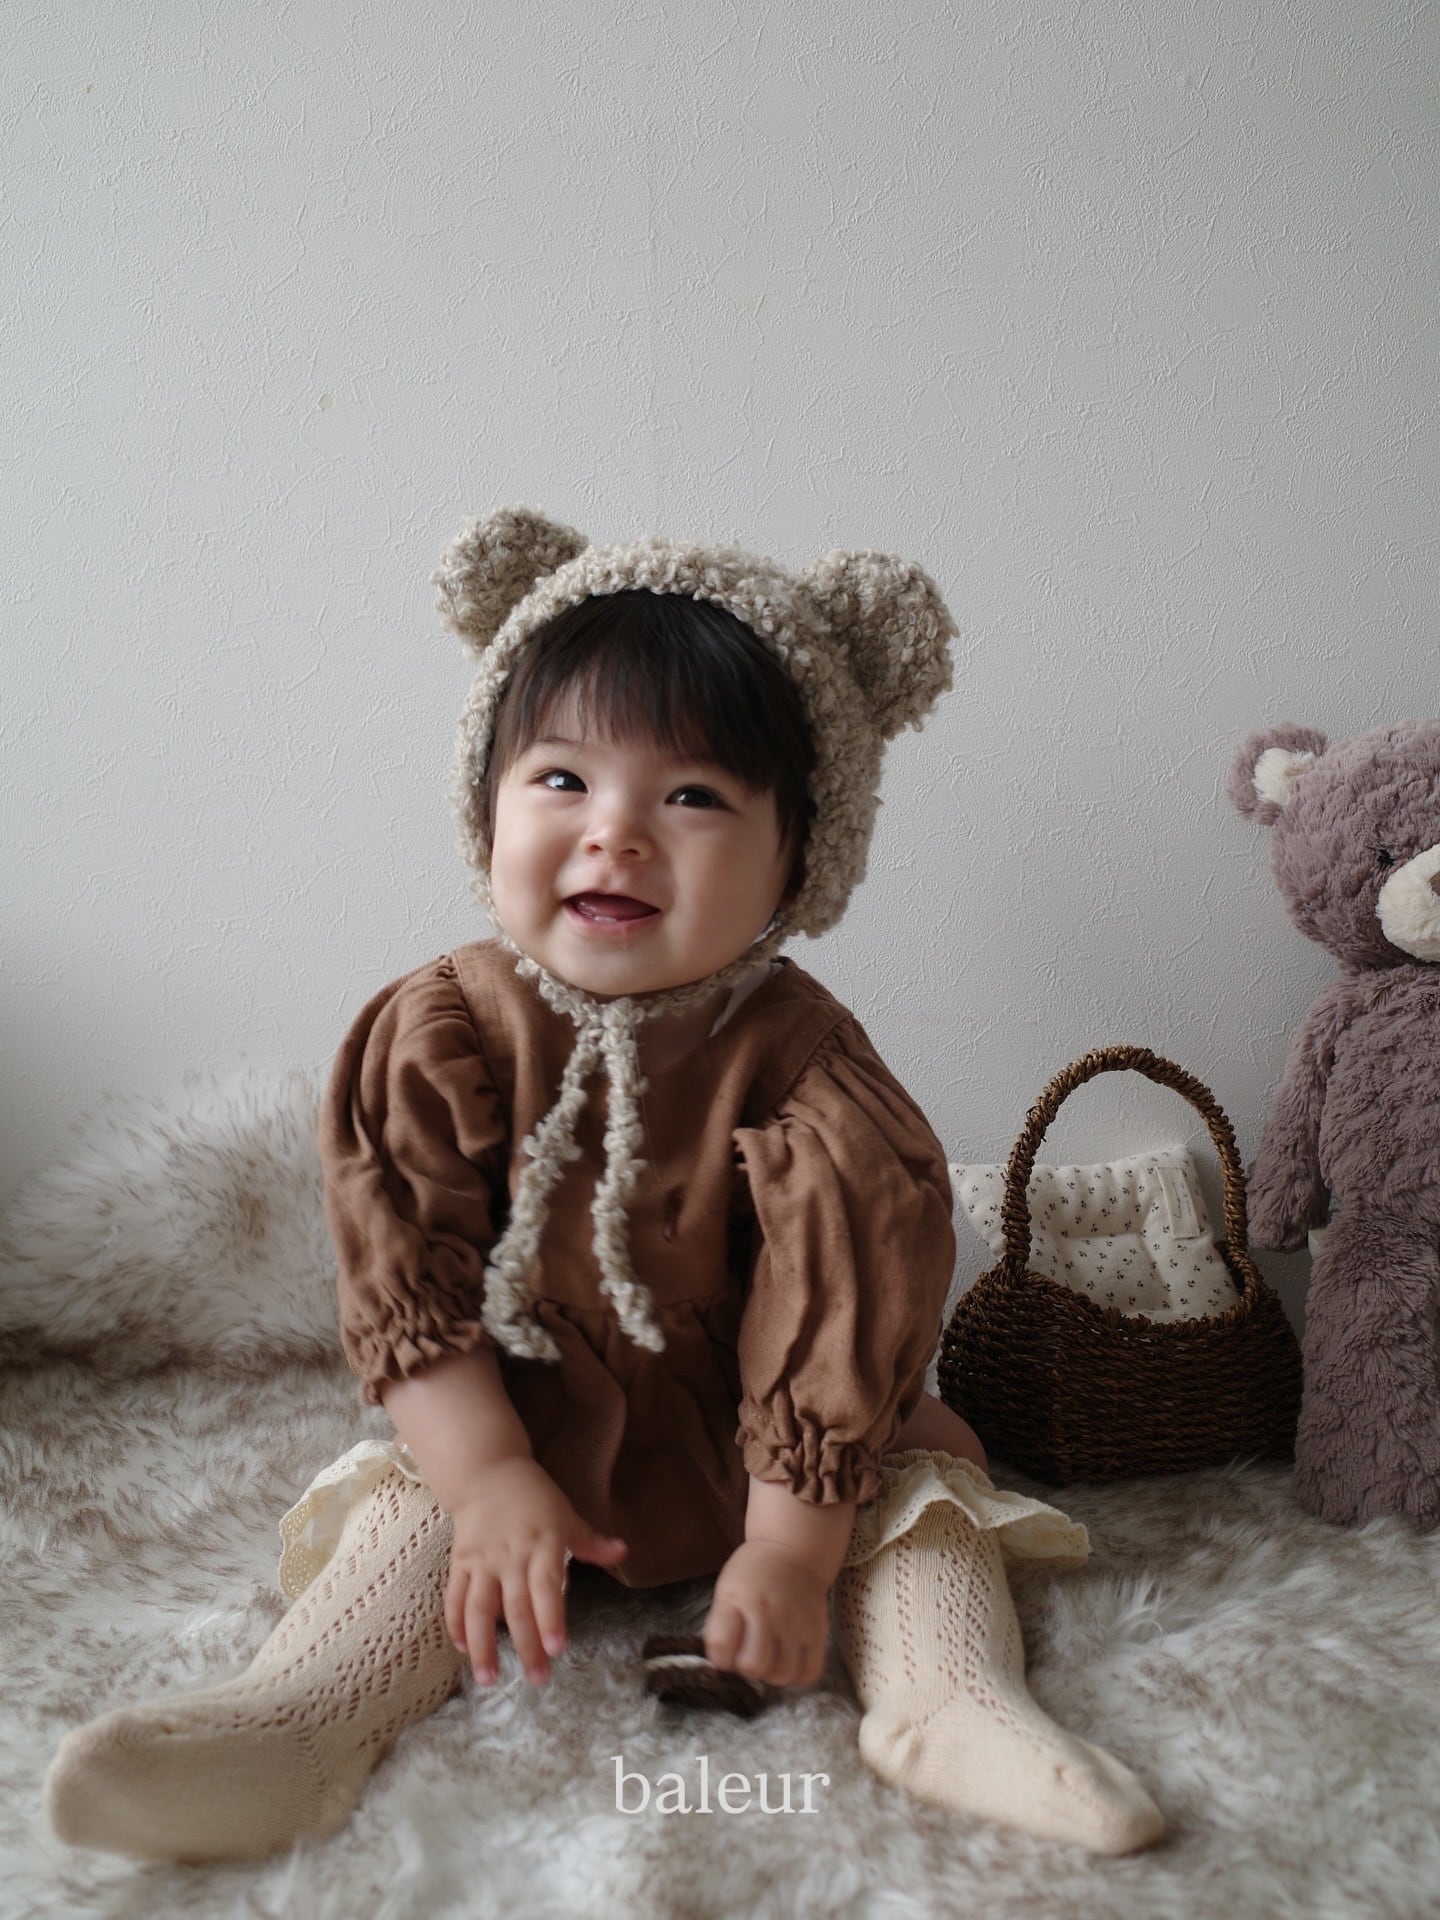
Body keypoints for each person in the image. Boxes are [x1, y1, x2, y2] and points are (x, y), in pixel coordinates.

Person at [44, 507, 1164, 1862]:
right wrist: (490, 1477)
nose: (616, 833)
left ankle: (949, 1699)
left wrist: (790, 1552)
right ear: (488, 808)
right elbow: (413, 1290)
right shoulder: (441, 1032)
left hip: (767, 1449)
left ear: (799, 860)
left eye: (692, 797)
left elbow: (838, 1306)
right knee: (409, 1514)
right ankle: (295, 1720)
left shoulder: (806, 1066)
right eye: (564, 779)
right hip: (528, 1429)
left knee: (929, 1486)